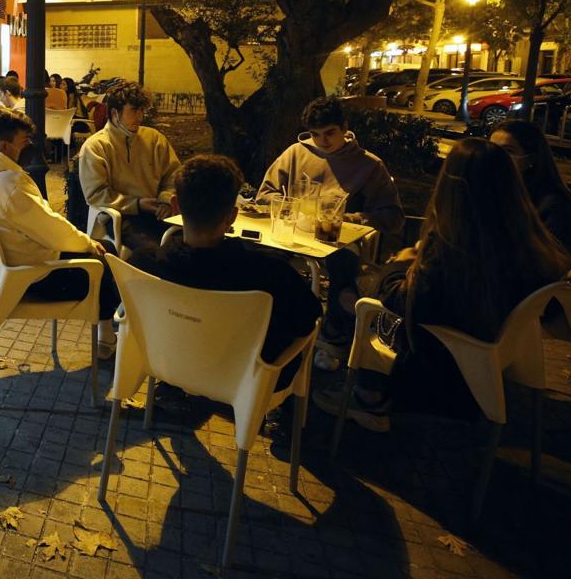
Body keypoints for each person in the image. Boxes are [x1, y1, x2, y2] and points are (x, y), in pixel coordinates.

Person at [315, 138, 571, 431]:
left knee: (353, 289)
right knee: (356, 282)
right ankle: (336, 337)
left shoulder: (458, 243)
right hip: (487, 334)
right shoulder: (521, 232)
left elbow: (411, 301)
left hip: (440, 344)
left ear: (452, 183)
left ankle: (368, 394)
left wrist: (402, 263)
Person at [129, 155, 321, 388]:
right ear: (232, 215)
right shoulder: (271, 274)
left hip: (168, 364)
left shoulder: (143, 265)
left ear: (176, 206)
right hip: (243, 381)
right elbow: (307, 319)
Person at [0, 108, 118, 354]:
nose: (31, 148)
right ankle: (108, 337)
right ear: (4, 147)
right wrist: (87, 244)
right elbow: (53, 230)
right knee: (107, 257)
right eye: (25, 142)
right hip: (35, 277)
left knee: (102, 249)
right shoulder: (10, 185)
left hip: (7, 269)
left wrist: (84, 242)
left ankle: (106, 334)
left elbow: (45, 224)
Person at [256, 96, 404, 351]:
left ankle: (335, 335)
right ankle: (275, 324)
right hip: (294, 232)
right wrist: (291, 206)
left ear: (344, 128)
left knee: (344, 264)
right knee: (258, 255)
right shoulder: (296, 153)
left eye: (329, 133)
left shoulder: (368, 165)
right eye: (315, 134)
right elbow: (265, 194)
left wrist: (354, 219)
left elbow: (393, 216)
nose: (323, 141)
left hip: (338, 238)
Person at [78, 82, 182, 252]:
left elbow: (174, 175)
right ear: (114, 113)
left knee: (190, 244)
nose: (140, 117)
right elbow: (96, 194)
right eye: (134, 111)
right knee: (154, 251)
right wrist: (137, 204)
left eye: (141, 110)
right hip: (121, 216)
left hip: (157, 212)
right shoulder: (96, 146)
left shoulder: (154, 139)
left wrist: (166, 200)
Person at [490, 120, 571, 260]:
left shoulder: (555, 204)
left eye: (508, 151)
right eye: (492, 149)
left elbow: (553, 259)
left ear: (531, 158)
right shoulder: (492, 190)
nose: (496, 157)